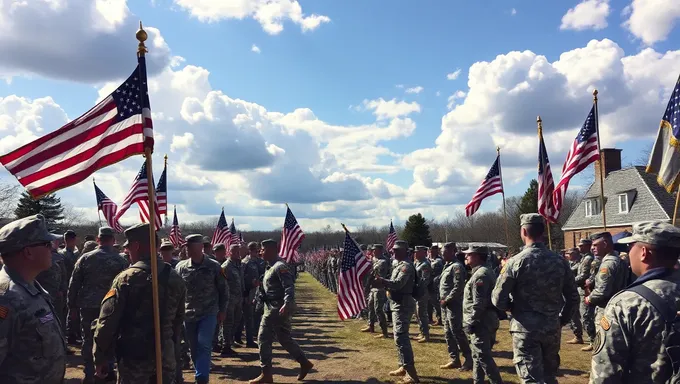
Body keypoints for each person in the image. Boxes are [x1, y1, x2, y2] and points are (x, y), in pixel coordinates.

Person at [92, 223, 186, 383]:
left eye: (128, 247)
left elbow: (107, 322)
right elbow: (178, 320)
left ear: (135, 246)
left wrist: (99, 356)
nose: (127, 252)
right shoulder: (175, 277)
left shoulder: (126, 279)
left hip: (134, 359)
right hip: (165, 356)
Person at [492, 213, 579, 384]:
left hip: (525, 329)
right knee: (549, 377)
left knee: (531, 379)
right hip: (551, 327)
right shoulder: (560, 261)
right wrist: (562, 320)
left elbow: (497, 298)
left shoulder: (515, 262)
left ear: (523, 231)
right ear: (543, 233)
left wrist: (511, 307)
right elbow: (573, 297)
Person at [590, 221, 680, 383]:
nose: (628, 252)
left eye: (631, 247)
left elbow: (605, 373)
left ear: (644, 252)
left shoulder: (626, 303)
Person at [0, 214, 66, 383]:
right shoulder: (7, 298)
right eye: (46, 244)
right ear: (28, 252)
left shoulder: (31, 287)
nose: (52, 248)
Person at [68, 226, 128, 383]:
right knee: (109, 340)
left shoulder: (85, 258)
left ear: (97, 239)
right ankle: (107, 375)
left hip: (88, 306)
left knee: (89, 341)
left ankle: (90, 376)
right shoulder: (121, 260)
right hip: (111, 307)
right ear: (113, 241)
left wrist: (71, 306)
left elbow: (74, 284)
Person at [249, 239, 313, 384]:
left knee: (263, 338)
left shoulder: (279, 266)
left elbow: (289, 286)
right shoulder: (269, 267)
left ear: (271, 250)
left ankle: (266, 373)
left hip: (276, 309)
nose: (260, 252)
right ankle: (304, 362)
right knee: (284, 338)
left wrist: (287, 303)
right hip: (270, 307)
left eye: (263, 250)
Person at [175, 234, 228, 384]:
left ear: (200, 247)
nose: (187, 249)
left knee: (203, 343)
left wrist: (222, 310)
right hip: (188, 314)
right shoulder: (181, 267)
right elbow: (177, 291)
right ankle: (200, 370)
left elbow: (224, 290)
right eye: (186, 246)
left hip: (208, 313)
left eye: (190, 246)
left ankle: (201, 377)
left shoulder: (214, 266)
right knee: (193, 346)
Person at [374, 240, 419, 383]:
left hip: (403, 305)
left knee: (401, 337)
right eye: (393, 250)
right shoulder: (398, 265)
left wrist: (383, 281)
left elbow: (399, 284)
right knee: (397, 336)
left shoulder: (406, 266)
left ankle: (411, 373)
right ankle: (403, 366)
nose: (394, 252)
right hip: (397, 303)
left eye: (397, 250)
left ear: (405, 251)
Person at [463, 245, 502, 384]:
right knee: (477, 356)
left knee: (483, 356)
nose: (466, 256)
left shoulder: (481, 275)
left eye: (469, 254)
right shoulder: (483, 271)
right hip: (484, 320)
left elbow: (479, 303)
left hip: (481, 322)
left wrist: (472, 322)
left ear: (478, 256)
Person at [584, 232, 630, 330]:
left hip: (606, 310)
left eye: (595, 245)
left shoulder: (607, 264)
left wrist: (589, 299)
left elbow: (601, 291)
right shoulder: (618, 261)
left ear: (605, 244)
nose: (592, 248)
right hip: (619, 307)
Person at [439, 242, 472, 371]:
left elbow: (458, 287)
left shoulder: (457, 266)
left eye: (445, 252)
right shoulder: (447, 265)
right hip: (446, 305)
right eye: (442, 253)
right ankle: (454, 359)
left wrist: (447, 299)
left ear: (452, 252)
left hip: (453, 305)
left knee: (457, 332)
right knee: (448, 333)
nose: (443, 255)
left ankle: (468, 359)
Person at [363, 243, 391, 338]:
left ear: (379, 250)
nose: (373, 251)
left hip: (380, 288)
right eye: (373, 250)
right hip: (373, 288)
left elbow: (381, 276)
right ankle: (370, 325)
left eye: (375, 250)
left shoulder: (383, 261)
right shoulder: (374, 259)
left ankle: (384, 331)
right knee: (370, 306)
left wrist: (373, 280)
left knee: (378, 309)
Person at [221, 243, 243, 356]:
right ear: (230, 252)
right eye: (235, 252)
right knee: (228, 323)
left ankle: (229, 341)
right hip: (229, 299)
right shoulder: (226, 266)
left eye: (239, 251)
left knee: (237, 320)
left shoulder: (238, 265)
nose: (238, 254)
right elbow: (222, 285)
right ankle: (226, 346)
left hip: (238, 298)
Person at [574, 238, 595, 350]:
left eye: (581, 246)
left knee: (586, 317)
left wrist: (571, 281)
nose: (579, 248)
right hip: (581, 291)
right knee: (583, 316)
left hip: (586, 291)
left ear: (587, 246)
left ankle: (593, 341)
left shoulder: (588, 259)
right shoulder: (583, 258)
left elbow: (584, 276)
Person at [242, 241, 263, 348]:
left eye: (257, 250)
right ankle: (249, 339)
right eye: (254, 250)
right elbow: (242, 279)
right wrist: (246, 293)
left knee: (255, 315)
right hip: (249, 292)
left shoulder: (259, 262)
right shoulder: (245, 262)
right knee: (248, 317)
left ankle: (254, 335)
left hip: (258, 291)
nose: (256, 252)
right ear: (249, 250)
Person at [564, 248, 584, 345]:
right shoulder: (570, 263)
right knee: (572, 315)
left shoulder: (579, 263)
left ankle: (579, 335)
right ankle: (577, 335)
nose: (567, 255)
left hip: (576, 291)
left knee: (575, 314)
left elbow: (582, 276)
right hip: (571, 290)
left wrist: (569, 282)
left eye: (569, 253)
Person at [413, 245, 432, 343]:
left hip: (422, 292)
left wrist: (417, 288)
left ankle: (426, 334)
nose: (415, 253)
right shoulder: (417, 263)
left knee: (422, 314)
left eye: (417, 252)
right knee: (417, 313)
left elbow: (425, 280)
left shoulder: (425, 264)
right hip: (417, 292)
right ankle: (422, 332)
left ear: (423, 253)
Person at [429, 244, 444, 326]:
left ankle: (440, 319)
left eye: (433, 250)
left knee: (436, 302)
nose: (431, 252)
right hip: (430, 284)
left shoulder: (439, 261)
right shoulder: (430, 259)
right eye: (430, 250)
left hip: (436, 284)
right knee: (431, 302)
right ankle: (434, 318)